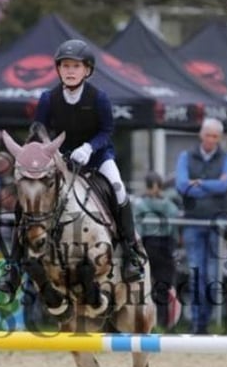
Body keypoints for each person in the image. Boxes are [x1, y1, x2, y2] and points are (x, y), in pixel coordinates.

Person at [20, 39, 145, 283]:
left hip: (97, 157)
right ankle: (15, 263)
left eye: (75, 66)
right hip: (61, 160)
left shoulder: (99, 98)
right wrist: (48, 154)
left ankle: (131, 252)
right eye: (65, 66)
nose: (69, 71)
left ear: (87, 70)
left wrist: (88, 148)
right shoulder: (48, 98)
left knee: (118, 189)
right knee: (31, 191)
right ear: (58, 69)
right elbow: (39, 131)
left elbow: (107, 130)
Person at [175, 117, 227, 334]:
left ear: (220, 138)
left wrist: (199, 183)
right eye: (208, 135)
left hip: (216, 222)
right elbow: (182, 186)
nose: (211, 140)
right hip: (193, 221)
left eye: (215, 137)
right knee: (195, 274)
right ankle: (197, 323)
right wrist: (213, 186)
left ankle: (205, 321)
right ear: (201, 135)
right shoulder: (185, 156)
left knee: (212, 275)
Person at [134, 171, 180, 328]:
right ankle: (162, 322)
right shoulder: (168, 204)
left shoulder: (140, 203)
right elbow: (174, 222)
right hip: (164, 246)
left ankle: (143, 322)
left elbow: (136, 225)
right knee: (162, 286)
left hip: (146, 245)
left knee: (141, 287)